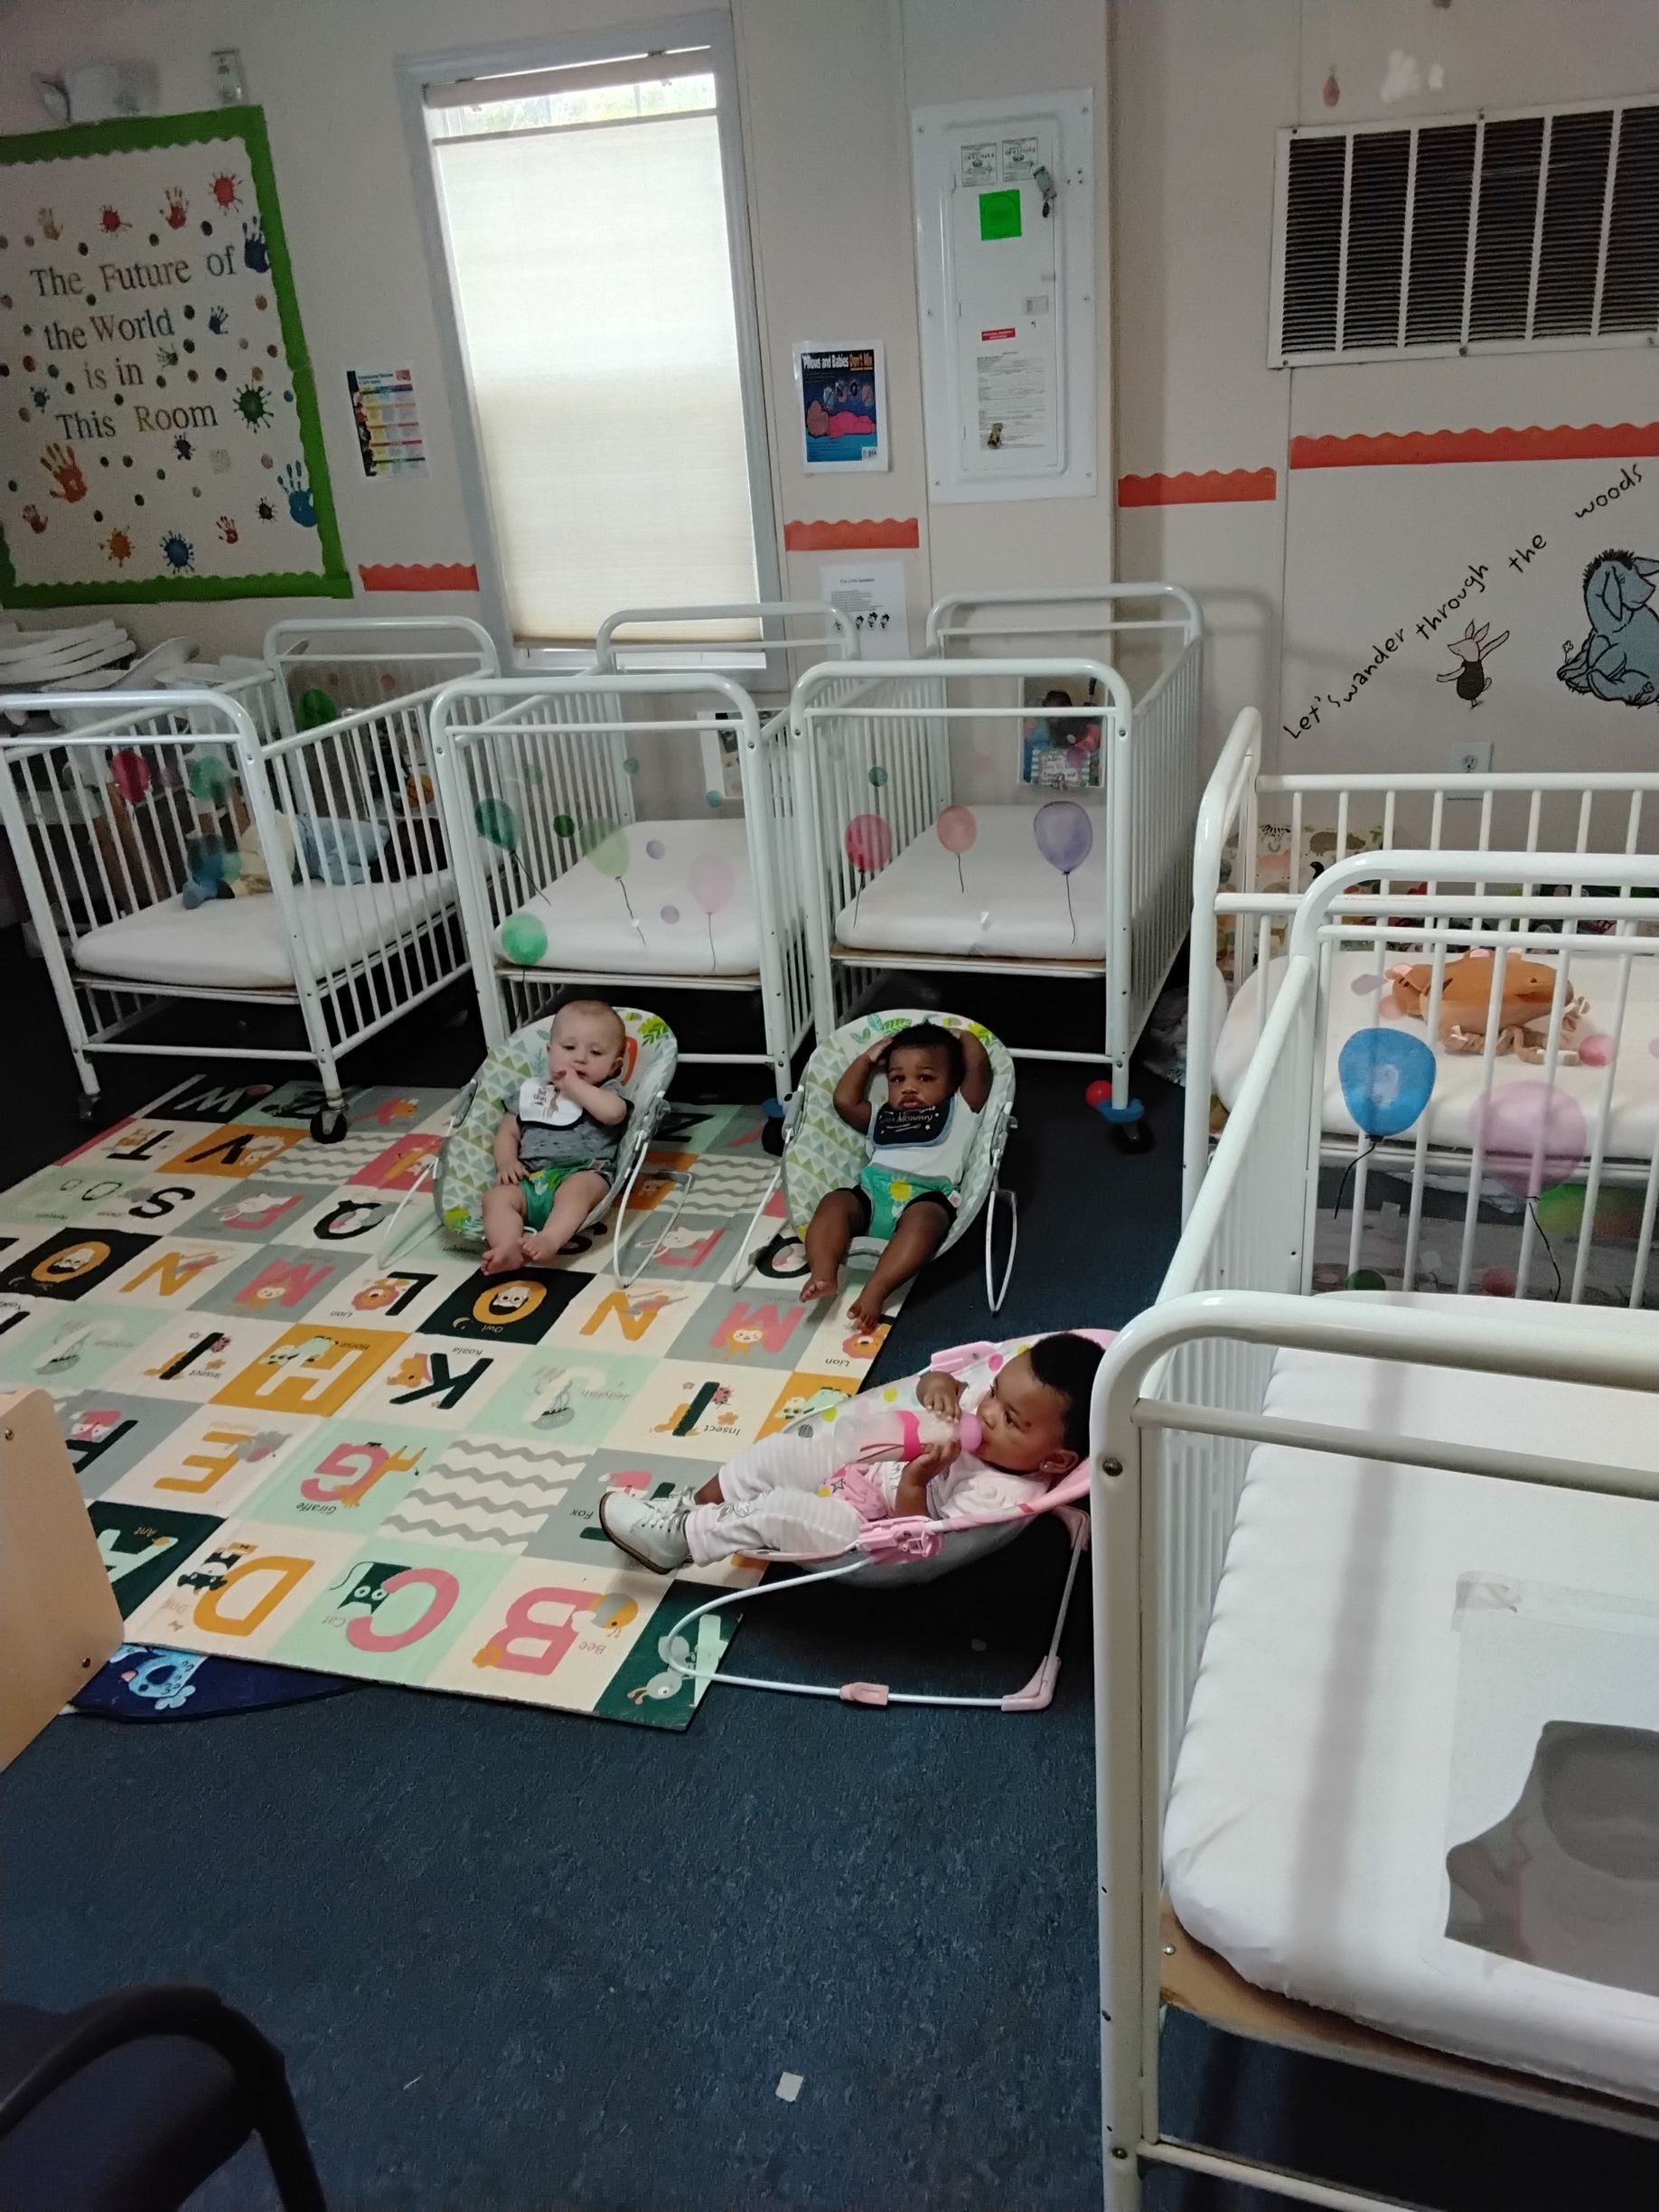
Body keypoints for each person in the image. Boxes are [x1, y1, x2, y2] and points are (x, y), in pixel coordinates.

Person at [597, 1332, 1103, 1573]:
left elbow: (924, 1549)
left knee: (779, 1510)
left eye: (1010, 1419)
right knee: (791, 1446)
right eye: (994, 1392)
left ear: (1055, 1460)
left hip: (866, 1531)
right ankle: (694, 1505)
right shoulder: (986, 1407)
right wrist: (940, 1388)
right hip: (860, 1467)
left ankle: (680, 1541)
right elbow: (939, 1380)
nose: (988, 1412)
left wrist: (916, 1482)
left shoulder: (999, 1491)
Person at [801, 1022, 992, 1333]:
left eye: (925, 1078)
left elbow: (979, 1067)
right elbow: (844, 1101)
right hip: (871, 1193)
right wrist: (866, 1059)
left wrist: (965, 1035)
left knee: (925, 1220)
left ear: (953, 1080)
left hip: (926, 1195)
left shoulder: (961, 1107)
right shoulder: (882, 1114)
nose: (909, 1087)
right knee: (835, 1202)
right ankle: (823, 1272)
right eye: (897, 1078)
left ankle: (876, 1289)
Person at [482, 998, 630, 1274]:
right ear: (550, 1052)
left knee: (576, 1191)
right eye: (569, 1047)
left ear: (614, 1066)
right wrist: (506, 1162)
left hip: (584, 1172)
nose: (580, 1058)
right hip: (531, 1179)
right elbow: (508, 1131)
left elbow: (614, 1113)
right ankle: (508, 1248)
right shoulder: (533, 1092)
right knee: (496, 1198)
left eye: (596, 1053)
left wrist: (573, 1085)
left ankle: (551, 1238)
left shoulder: (607, 1092)